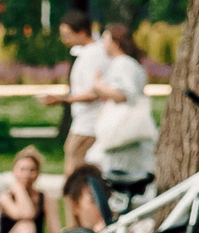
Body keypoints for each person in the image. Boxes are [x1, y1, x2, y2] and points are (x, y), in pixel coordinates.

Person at [89, 24, 156, 184]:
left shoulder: (123, 63)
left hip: (124, 131)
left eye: (105, 39)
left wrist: (98, 84)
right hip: (124, 131)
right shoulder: (127, 63)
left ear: (115, 42)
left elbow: (124, 94)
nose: (102, 44)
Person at [53, 11, 104, 176]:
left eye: (67, 35)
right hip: (84, 120)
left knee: (74, 169)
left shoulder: (93, 55)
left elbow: (94, 92)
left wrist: (63, 99)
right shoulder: (85, 52)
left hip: (89, 121)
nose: (64, 39)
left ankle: (76, 200)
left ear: (82, 32)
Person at [0, 148, 45, 233]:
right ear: (14, 171)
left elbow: (55, 232)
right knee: (26, 225)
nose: (27, 174)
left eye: (32, 170)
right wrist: (19, 189)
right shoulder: (4, 197)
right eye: (22, 170)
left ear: (38, 173)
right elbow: (27, 214)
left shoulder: (45, 198)